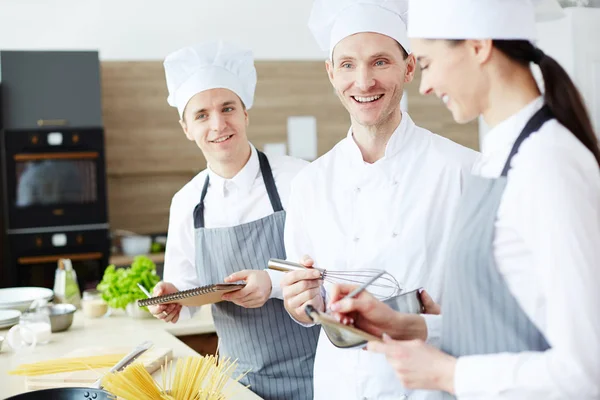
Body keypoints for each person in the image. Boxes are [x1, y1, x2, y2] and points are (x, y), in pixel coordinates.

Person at [327, 0, 600, 398]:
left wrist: (446, 374)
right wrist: (410, 325)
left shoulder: (548, 164)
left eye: (427, 62)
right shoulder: (501, 157)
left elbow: (587, 370)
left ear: (478, 46)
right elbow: (511, 320)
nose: (424, 85)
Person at [279, 0, 479, 398]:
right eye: (348, 65)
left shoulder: (463, 171)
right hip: (341, 385)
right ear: (331, 73)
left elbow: (487, 308)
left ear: (409, 67)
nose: (364, 81)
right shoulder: (310, 183)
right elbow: (306, 303)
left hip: (430, 387)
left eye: (381, 62)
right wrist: (298, 304)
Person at [148, 40, 320, 400]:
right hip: (237, 382)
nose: (218, 124)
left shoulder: (299, 179)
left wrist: (271, 283)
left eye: (227, 108)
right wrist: (171, 298)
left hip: (317, 374)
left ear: (245, 113)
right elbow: (188, 298)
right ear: (186, 128)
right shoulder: (187, 203)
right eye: (201, 115)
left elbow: (333, 269)